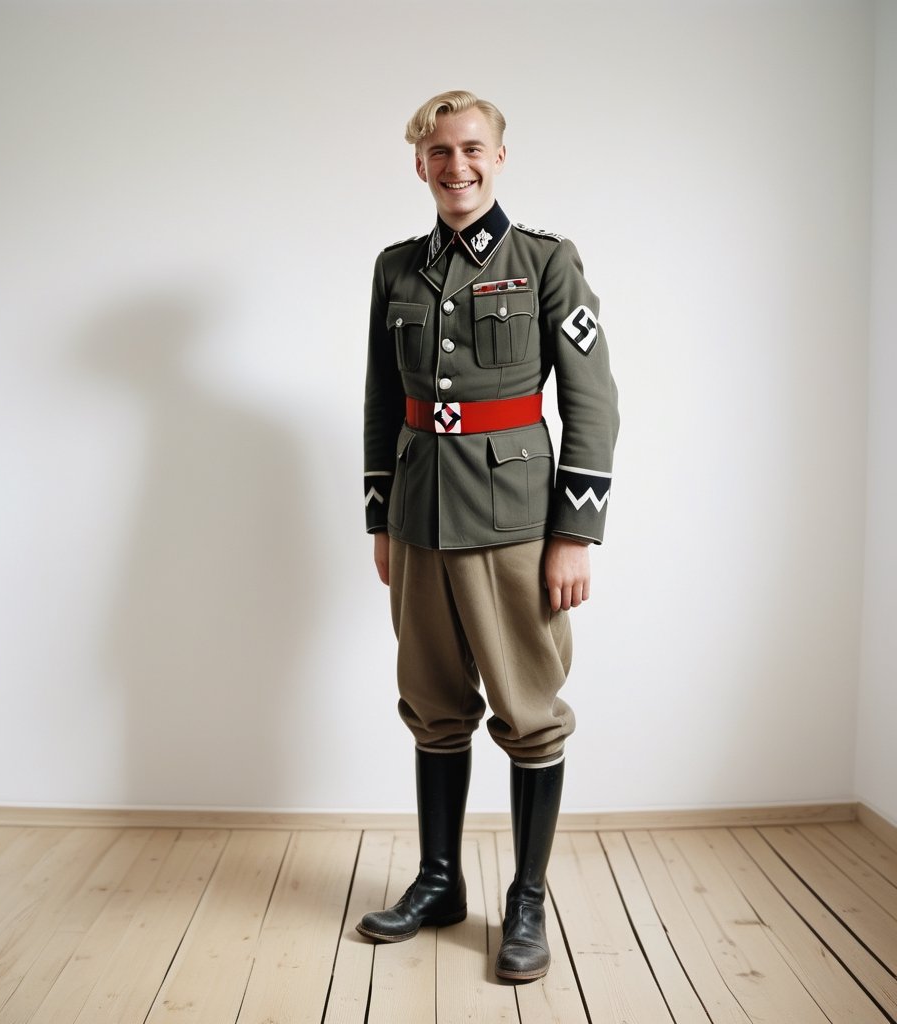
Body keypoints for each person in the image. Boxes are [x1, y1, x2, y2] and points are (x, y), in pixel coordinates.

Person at [357, 90, 619, 982]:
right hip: (422, 517)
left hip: (515, 524)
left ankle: (527, 902)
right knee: (433, 705)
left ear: (500, 156)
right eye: (438, 152)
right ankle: (439, 883)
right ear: (419, 163)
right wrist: (381, 514)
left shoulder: (546, 261)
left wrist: (575, 533)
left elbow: (591, 400)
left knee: (530, 714)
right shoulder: (397, 269)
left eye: (472, 148)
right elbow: (380, 401)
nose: (455, 166)